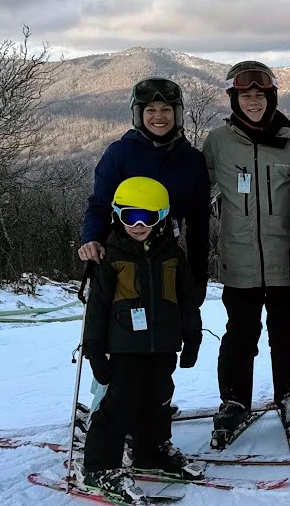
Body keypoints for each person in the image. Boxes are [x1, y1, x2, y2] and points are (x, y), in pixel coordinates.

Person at [77, 77, 211, 414]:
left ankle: (149, 407)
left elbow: (199, 221)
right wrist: (91, 237)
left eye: (166, 109)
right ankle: (104, 412)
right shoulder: (120, 153)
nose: (159, 116)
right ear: (139, 115)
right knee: (119, 337)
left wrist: (198, 274)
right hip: (122, 257)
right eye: (150, 109)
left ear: (177, 113)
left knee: (160, 336)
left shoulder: (191, 159)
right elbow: (99, 204)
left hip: (167, 258)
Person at [203, 61, 290, 448]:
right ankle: (234, 402)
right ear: (235, 99)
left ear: (271, 97)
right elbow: (191, 191)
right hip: (239, 260)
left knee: (288, 335)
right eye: (245, 96)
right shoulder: (217, 143)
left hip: (286, 260)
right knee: (240, 335)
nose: (253, 101)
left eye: (260, 95)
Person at [80, 177, 204, 501]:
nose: (138, 224)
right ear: (117, 215)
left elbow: (188, 301)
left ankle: (150, 451)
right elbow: (97, 309)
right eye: (130, 215)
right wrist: (94, 352)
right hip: (124, 348)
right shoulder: (111, 257)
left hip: (163, 346)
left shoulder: (173, 256)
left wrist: (193, 339)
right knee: (119, 405)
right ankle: (100, 467)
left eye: (147, 217)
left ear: (161, 217)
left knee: (160, 399)